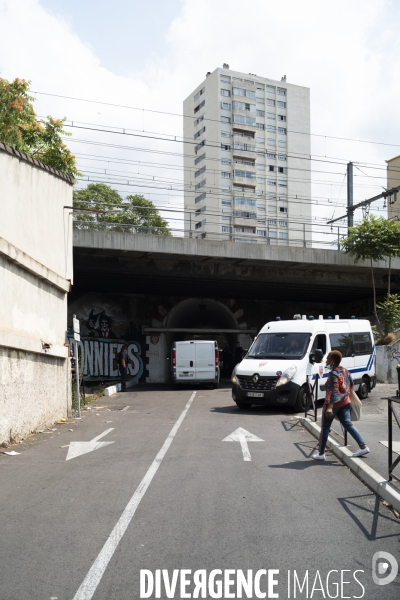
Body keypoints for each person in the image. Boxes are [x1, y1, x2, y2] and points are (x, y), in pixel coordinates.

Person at [313, 350, 370, 461]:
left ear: (333, 361)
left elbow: (333, 391)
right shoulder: (344, 370)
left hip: (334, 405)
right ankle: (363, 446)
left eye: (328, 358)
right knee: (348, 424)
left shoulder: (333, 373)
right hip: (346, 402)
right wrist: (344, 394)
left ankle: (321, 453)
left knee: (325, 427)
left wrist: (330, 407)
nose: (326, 360)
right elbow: (352, 384)